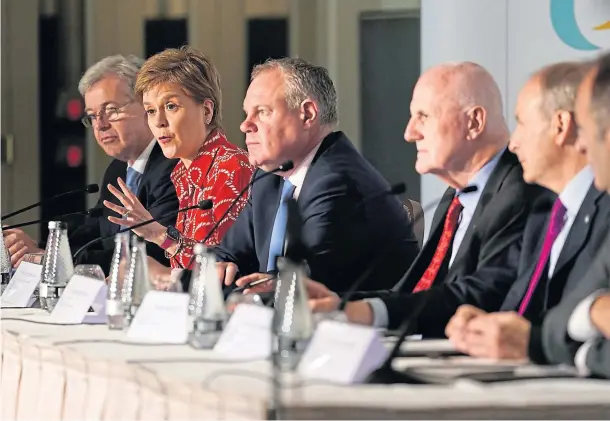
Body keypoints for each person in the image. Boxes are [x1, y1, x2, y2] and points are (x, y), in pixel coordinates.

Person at [300, 62, 547, 333]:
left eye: (424, 117)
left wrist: (364, 312)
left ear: (474, 122)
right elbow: (415, 292)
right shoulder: (455, 197)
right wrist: (339, 303)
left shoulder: (519, 193)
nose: (409, 133)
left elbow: (480, 297)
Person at [152, 57, 420, 293]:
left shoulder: (338, 181)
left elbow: (296, 287)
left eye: (263, 112)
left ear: (307, 114)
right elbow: (224, 256)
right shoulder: (271, 177)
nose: (245, 125)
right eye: (247, 113)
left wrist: (223, 285)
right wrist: (219, 269)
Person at [444, 61, 610, 361]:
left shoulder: (602, 207)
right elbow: (531, 313)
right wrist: (486, 326)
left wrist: (545, 340)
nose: (514, 142)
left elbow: (573, 311)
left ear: (561, 126)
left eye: (521, 123)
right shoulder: (546, 211)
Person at [3, 55, 179, 274]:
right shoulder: (118, 170)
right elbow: (93, 235)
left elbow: (146, 254)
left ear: (147, 105)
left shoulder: (173, 168)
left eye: (111, 110)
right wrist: (37, 248)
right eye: (93, 117)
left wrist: (50, 257)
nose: (101, 125)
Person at [103, 46, 254, 271]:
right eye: (151, 111)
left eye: (171, 106)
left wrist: (159, 234)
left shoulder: (232, 168)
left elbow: (219, 269)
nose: (158, 122)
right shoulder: (181, 172)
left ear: (206, 111)